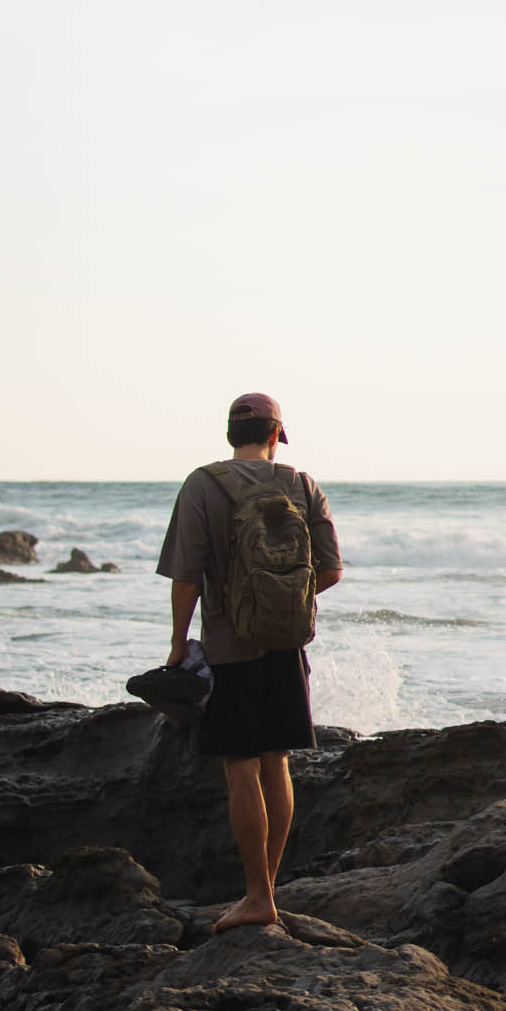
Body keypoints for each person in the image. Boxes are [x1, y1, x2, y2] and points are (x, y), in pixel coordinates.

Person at [156, 392, 343, 931]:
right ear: (275, 435)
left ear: (232, 435)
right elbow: (329, 571)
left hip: (228, 645)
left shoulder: (203, 484)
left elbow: (187, 577)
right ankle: (269, 894)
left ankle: (257, 895)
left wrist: (177, 643)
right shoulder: (303, 486)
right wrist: (281, 602)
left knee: (240, 767)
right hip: (287, 645)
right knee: (276, 761)